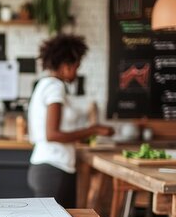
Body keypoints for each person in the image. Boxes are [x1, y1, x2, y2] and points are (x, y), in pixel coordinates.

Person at [27, 34, 114, 207]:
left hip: (45, 167)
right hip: (54, 169)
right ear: (66, 66)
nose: (76, 71)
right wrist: (93, 129)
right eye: (76, 66)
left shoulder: (44, 85)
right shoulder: (55, 87)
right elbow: (52, 134)